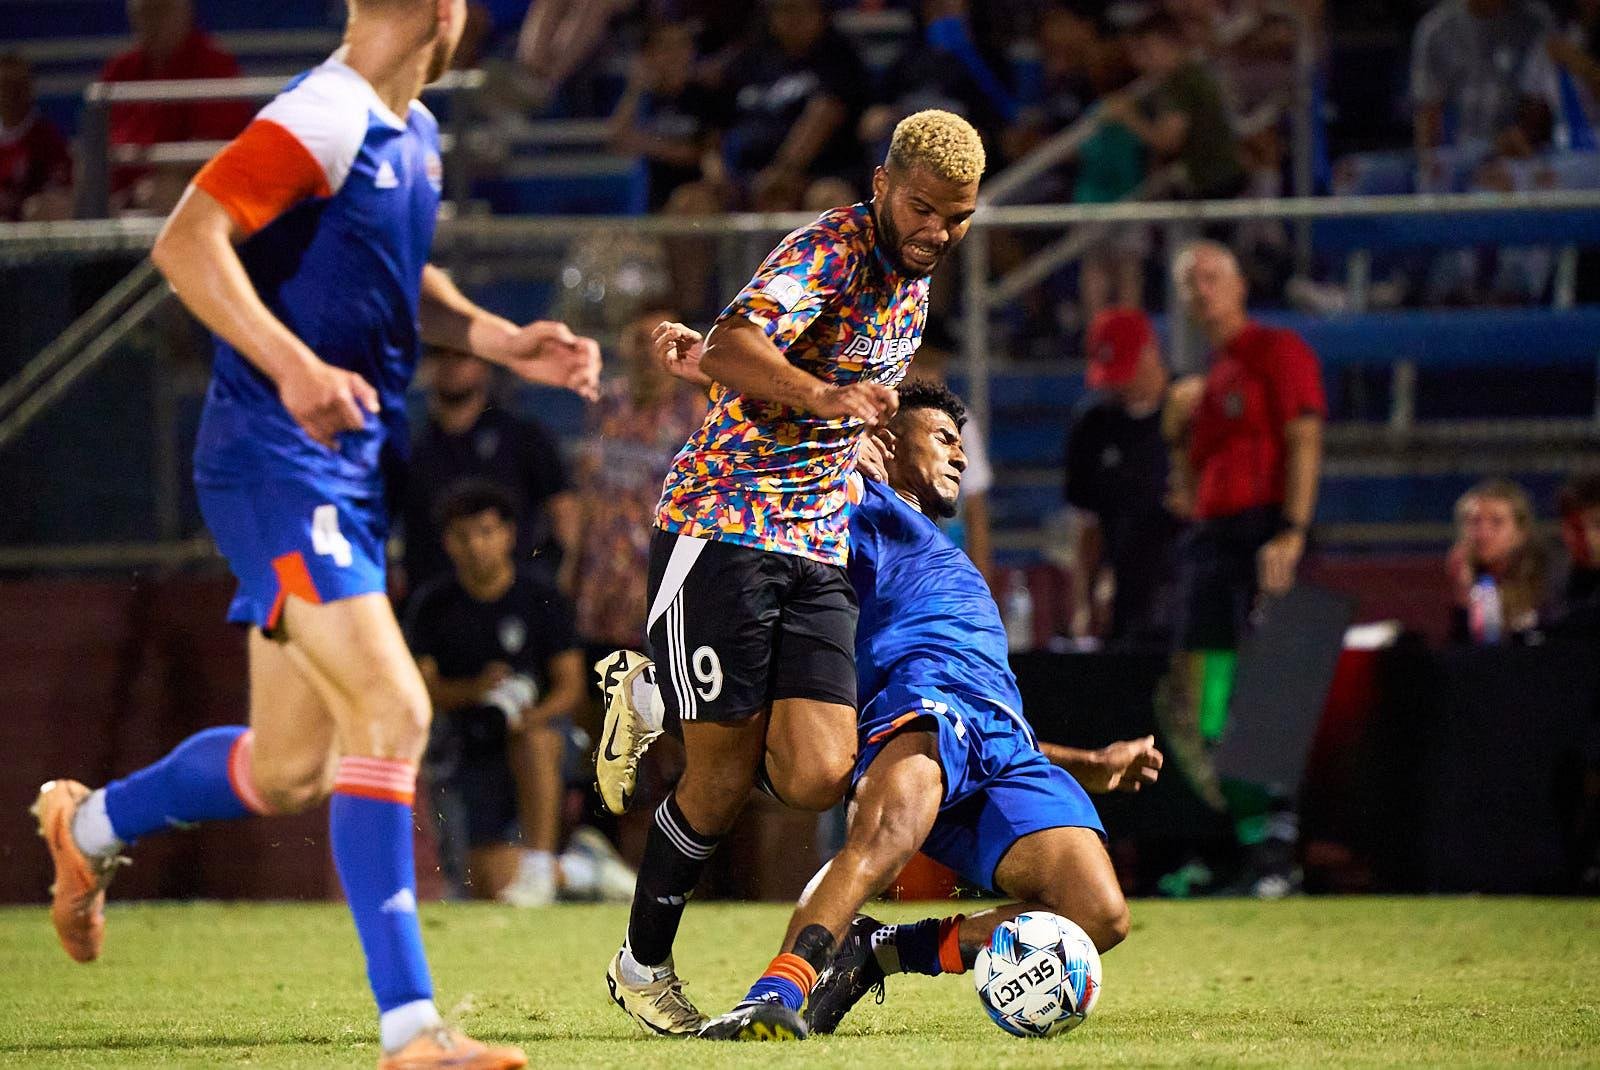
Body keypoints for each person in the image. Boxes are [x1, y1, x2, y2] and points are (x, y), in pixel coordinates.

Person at [31, 0, 601, 1063]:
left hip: (337, 470)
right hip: (272, 463)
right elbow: (186, 239)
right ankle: (411, 1028)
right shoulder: (324, 114)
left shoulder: (413, 133)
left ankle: (91, 825)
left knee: (288, 768)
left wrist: (498, 335)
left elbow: (400, 282)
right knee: (392, 705)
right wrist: (291, 366)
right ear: (442, 12)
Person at [595, 381, 1162, 1038]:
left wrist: (1089, 763)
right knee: (879, 840)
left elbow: (985, 706)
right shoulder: (852, 501)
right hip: (920, 711)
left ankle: (883, 950)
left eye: (962, 445)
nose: (960, 457)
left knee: (1099, 916)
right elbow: (766, 417)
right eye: (944, 439)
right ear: (888, 442)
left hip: (1004, 746)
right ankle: (775, 991)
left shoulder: (936, 543)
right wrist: (826, 429)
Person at [596, 109, 985, 1042]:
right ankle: (641, 967)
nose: (940, 231)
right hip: (721, 527)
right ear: (885, 182)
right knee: (721, 781)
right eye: (926, 209)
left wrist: (822, 414)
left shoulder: (913, 279)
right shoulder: (833, 248)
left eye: (960, 217)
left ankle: (660, 695)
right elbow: (742, 344)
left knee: (817, 776)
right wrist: (824, 396)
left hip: (813, 543)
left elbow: (748, 369)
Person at [1161, 240, 1325, 898]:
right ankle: (1229, 845)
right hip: (1211, 540)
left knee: (1270, 696)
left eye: (1211, 276)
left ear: (1238, 286)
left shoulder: (1276, 351)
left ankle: (1277, 853)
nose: (1200, 290)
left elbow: (1305, 436)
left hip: (1263, 530)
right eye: (1189, 281)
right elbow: (1184, 490)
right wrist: (1176, 433)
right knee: (1205, 700)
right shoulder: (1205, 378)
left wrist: (1293, 530)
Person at [407, 481, 634, 907]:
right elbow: (423, 690)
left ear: (509, 534)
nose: (476, 546)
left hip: (542, 741)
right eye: (463, 535)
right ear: (447, 543)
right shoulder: (432, 604)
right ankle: (578, 868)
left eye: (486, 532)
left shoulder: (542, 597)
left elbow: (569, 688)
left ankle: (541, 863)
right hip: (465, 743)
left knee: (536, 740)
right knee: (488, 885)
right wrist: (476, 690)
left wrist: (529, 715)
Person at [571, 305, 708, 658]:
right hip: (600, 580)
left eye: (659, 340)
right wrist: (573, 560)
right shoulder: (604, 405)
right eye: (639, 341)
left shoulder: (696, 414)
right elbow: (588, 487)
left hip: (661, 581)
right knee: (598, 695)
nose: (649, 352)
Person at [401, 347, 578, 597]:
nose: (450, 365)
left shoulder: (523, 437)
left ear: (484, 365)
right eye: (439, 356)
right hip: (433, 603)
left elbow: (565, 512)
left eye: (461, 355)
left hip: (516, 601)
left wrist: (561, 580)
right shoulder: (412, 447)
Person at [1062, 308, 1184, 647]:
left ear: (1150, 352)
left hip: (1186, 587)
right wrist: (1083, 602)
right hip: (1121, 597)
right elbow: (1087, 523)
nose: (1117, 383)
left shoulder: (1190, 408)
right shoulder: (1092, 425)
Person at [99, 0, 253, 212]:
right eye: (144, 13)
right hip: (119, 196)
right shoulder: (120, 70)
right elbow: (97, 145)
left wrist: (160, 173)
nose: (153, 22)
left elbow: (215, 149)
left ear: (185, 11)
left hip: (192, 192)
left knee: (168, 195)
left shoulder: (214, 65)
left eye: (161, 10)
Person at [1104, 12, 1246, 202]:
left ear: (1171, 43)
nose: (1140, 61)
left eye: (1146, 50)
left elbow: (1168, 142)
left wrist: (1129, 117)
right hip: (1218, 180)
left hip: (1220, 184)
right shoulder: (1189, 75)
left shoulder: (1181, 82)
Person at [1411, 0, 1558, 163]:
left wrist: (1518, 141)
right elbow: (1428, 110)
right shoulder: (1437, 28)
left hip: (1524, 152)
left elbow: (1544, 102)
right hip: (1463, 152)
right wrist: (1430, 167)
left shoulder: (1535, 22)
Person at [1446, 478, 1548, 643]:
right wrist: (1463, 590)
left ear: (1521, 532)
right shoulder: (1462, 574)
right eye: (1474, 521)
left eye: (1497, 522)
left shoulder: (1547, 577)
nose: (1483, 533)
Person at [0, 54, 73, 222]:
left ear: (29, 90)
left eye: (17, 88)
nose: (11, 96)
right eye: (5, 88)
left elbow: (61, 191)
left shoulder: (47, 139)